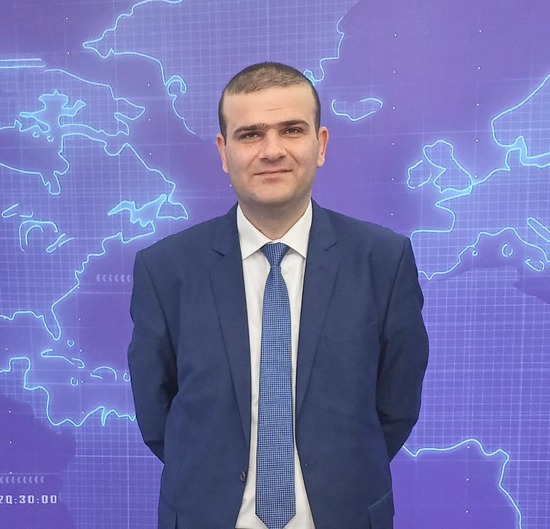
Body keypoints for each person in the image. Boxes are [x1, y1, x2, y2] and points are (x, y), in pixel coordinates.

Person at [128, 62, 429, 529]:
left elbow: (395, 409)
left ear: (320, 144)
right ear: (224, 152)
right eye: (250, 134)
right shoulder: (165, 270)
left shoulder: (383, 261)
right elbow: (157, 413)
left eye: (292, 130)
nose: (272, 150)